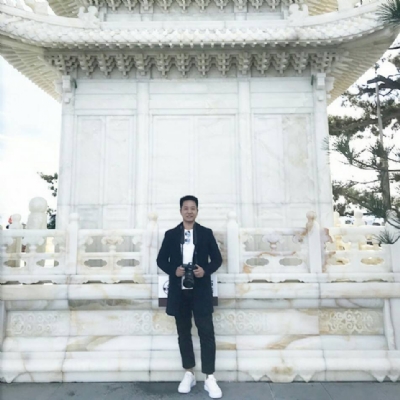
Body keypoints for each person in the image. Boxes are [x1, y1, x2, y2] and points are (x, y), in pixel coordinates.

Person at [157, 195, 223, 399]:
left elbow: (217, 259)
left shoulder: (205, 233)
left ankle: (209, 377)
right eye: (185, 208)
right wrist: (173, 271)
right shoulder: (171, 235)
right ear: (180, 211)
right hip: (179, 292)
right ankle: (189, 373)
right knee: (183, 333)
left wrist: (205, 270)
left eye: (193, 208)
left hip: (200, 290)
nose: (189, 211)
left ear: (197, 211)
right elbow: (161, 260)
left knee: (206, 332)